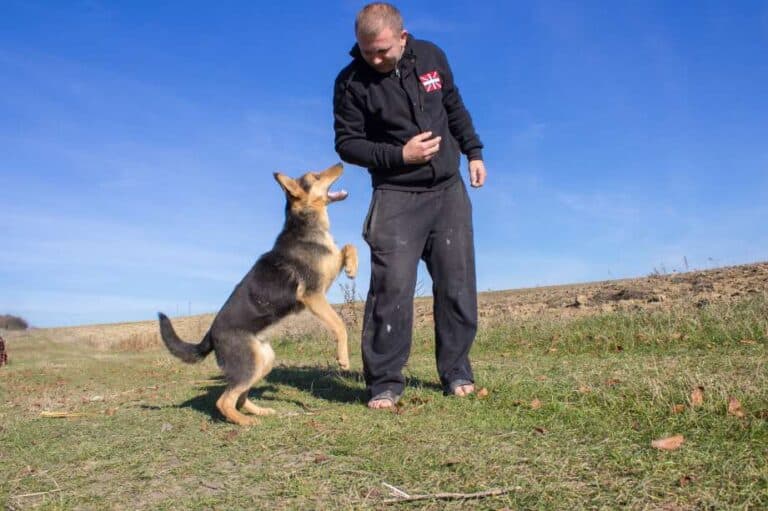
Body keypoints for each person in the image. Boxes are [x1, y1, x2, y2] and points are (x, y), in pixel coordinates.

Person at [333, 2, 487, 409]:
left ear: (402, 38)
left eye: (382, 49)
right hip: (396, 195)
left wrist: (473, 151)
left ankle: (456, 371)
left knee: (456, 284)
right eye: (367, 51)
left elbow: (453, 105)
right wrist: (400, 155)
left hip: (447, 191)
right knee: (391, 288)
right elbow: (347, 143)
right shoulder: (350, 83)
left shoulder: (433, 57)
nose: (375, 58)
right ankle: (384, 381)